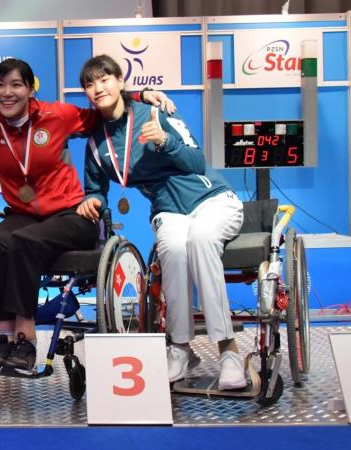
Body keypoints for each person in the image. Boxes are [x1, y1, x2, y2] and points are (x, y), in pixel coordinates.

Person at [0, 58, 174, 375]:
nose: (7, 92)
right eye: (0, 85)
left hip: (73, 214)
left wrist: (139, 96)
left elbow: (103, 110)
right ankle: (2, 336)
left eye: (16, 84)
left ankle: (25, 339)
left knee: (21, 242)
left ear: (30, 89)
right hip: (24, 215)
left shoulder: (58, 115)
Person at [75, 54, 246, 390]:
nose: (98, 88)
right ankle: (180, 349)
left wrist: (165, 142)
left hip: (212, 200)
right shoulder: (95, 142)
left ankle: (229, 351)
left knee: (199, 238)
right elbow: (96, 188)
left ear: (121, 81)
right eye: (90, 83)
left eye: (105, 78)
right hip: (167, 210)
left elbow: (196, 161)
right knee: (172, 248)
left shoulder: (155, 110)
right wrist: (92, 199)